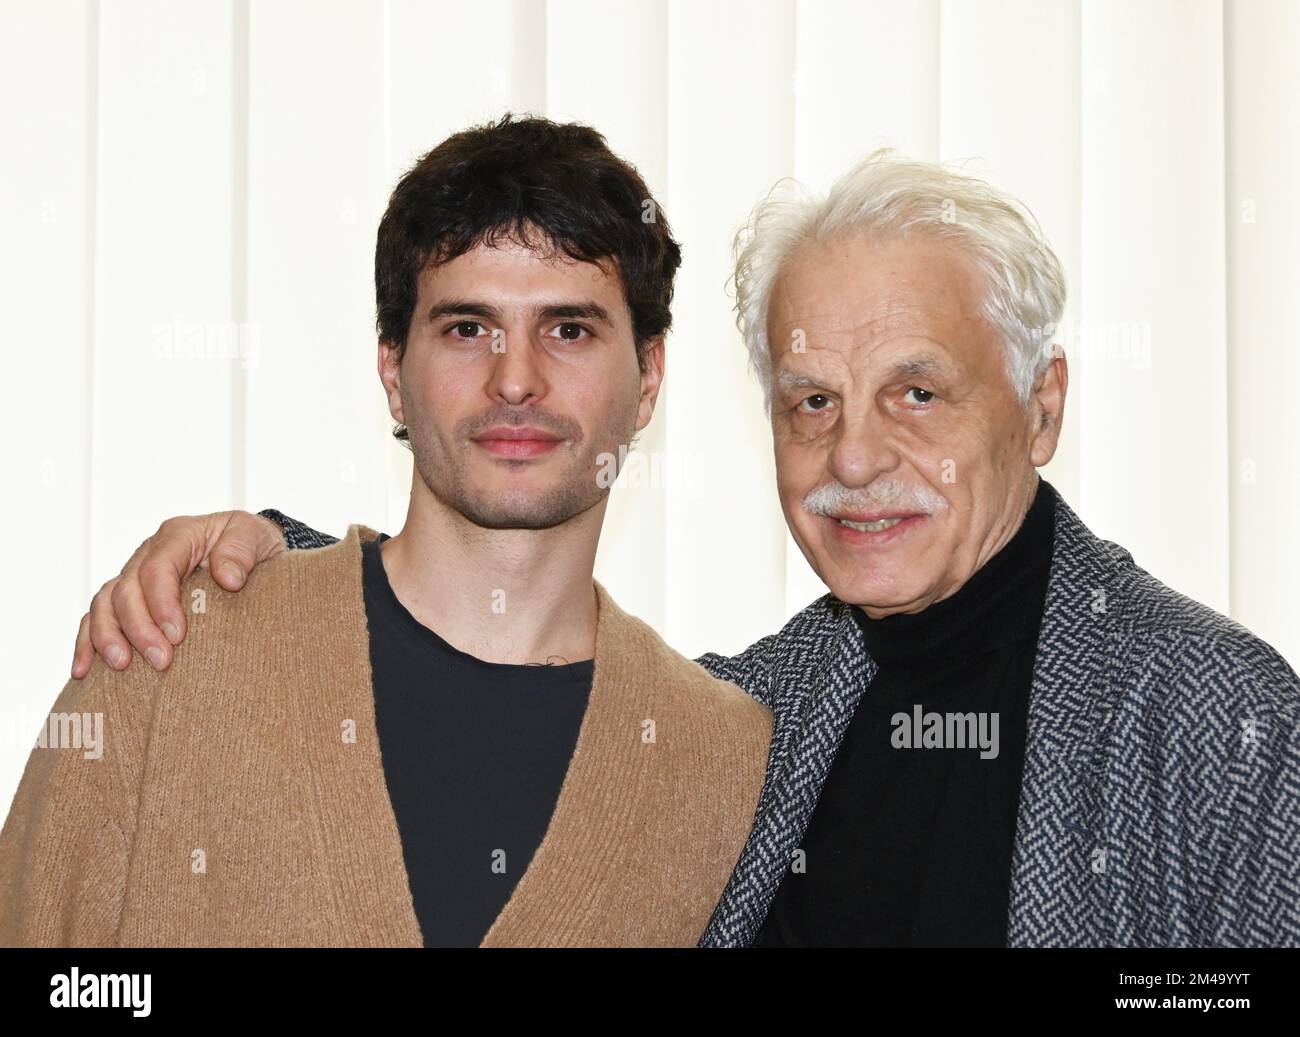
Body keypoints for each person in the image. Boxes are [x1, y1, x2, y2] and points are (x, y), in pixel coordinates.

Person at [60, 149, 1300, 947]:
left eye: (917, 393)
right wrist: (271, 562)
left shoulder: (1215, 717)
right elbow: (485, 629)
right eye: (810, 399)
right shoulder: (759, 711)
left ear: (1042, 406)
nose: (853, 456)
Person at [0, 115, 772, 948]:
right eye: (467, 328)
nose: (516, 377)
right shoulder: (171, 643)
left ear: (649, 375)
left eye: (569, 329)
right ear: (392, 372)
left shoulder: (722, 760)